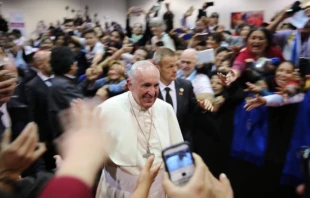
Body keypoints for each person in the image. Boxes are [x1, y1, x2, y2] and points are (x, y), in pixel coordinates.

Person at [96, 60, 184, 198]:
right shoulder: (107, 109)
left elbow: (178, 155)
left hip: (158, 192)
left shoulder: (165, 109)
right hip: (120, 191)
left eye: (156, 86)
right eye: (146, 85)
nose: (152, 92)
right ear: (130, 84)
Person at [153, 47, 213, 141]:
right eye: (170, 66)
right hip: (157, 142)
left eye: (176, 65)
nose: (175, 70)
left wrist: (202, 106)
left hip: (182, 143)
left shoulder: (186, 86)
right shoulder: (150, 89)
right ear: (158, 68)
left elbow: (193, 110)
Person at [25, 50, 55, 170]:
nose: (54, 63)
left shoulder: (60, 80)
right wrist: (39, 139)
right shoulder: (31, 86)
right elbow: (32, 115)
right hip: (46, 140)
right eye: (50, 61)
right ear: (40, 65)